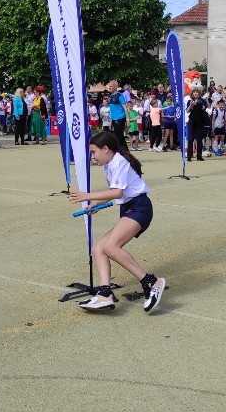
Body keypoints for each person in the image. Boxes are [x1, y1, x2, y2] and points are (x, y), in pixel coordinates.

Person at [68, 130, 166, 313]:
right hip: (130, 208)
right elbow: (114, 192)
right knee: (99, 248)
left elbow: (117, 193)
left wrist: (87, 196)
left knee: (111, 247)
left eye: (94, 152)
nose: (92, 156)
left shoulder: (119, 161)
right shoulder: (110, 164)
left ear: (106, 149)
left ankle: (151, 282)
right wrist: (94, 204)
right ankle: (105, 293)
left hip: (140, 208)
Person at [186, 88, 209, 161]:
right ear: (192, 94)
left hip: (200, 122)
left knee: (199, 140)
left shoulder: (202, 100)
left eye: (197, 92)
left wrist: (206, 99)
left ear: (199, 94)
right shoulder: (190, 101)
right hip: (192, 122)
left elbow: (207, 107)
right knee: (190, 140)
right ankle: (189, 156)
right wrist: (191, 105)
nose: (195, 93)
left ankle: (199, 156)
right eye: (194, 92)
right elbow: (187, 111)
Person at [106, 80, 129, 151]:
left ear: (115, 87)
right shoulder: (110, 96)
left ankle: (125, 152)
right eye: (109, 86)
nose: (109, 88)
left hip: (120, 118)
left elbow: (125, 108)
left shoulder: (120, 95)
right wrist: (110, 120)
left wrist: (128, 119)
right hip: (113, 119)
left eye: (111, 86)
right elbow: (111, 109)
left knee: (119, 136)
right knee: (117, 136)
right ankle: (123, 151)